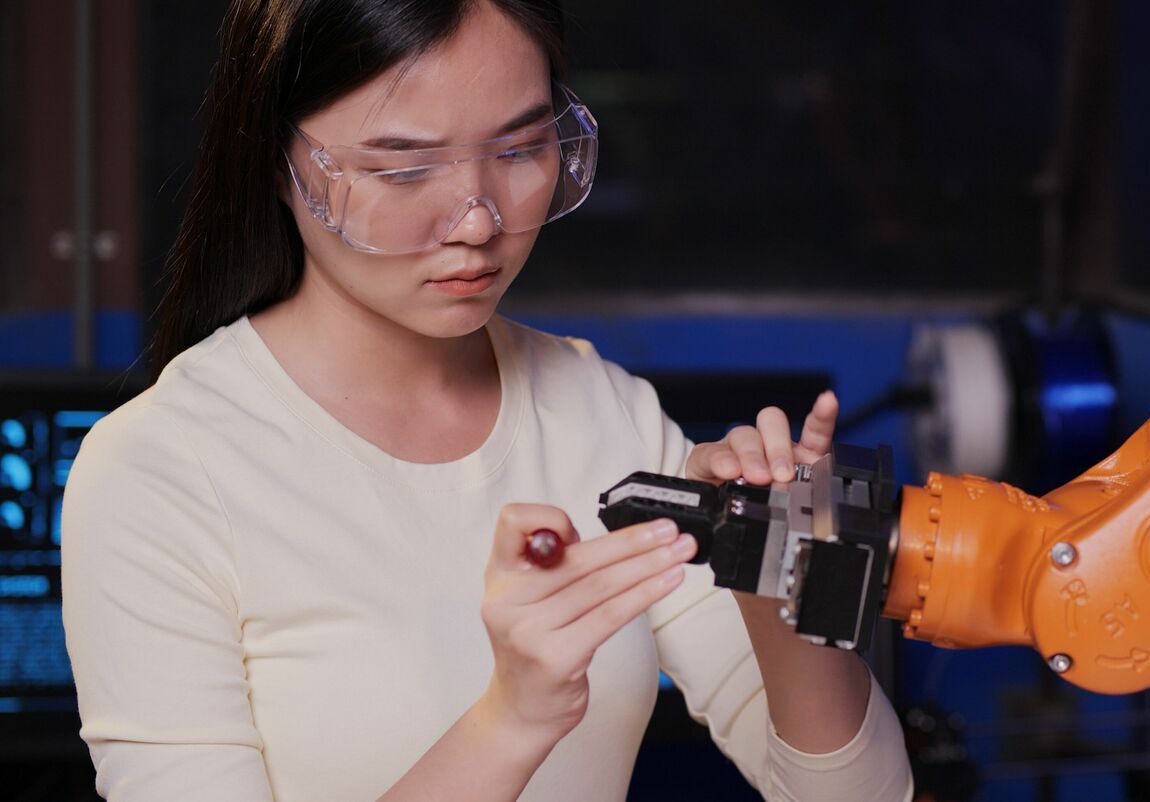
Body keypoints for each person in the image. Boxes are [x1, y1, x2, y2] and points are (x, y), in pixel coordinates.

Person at [59, 1, 912, 800]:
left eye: (519, 150)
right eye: (404, 168)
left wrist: (776, 572)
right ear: (279, 162)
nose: (477, 220)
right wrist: (514, 720)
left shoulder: (601, 414)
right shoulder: (160, 473)